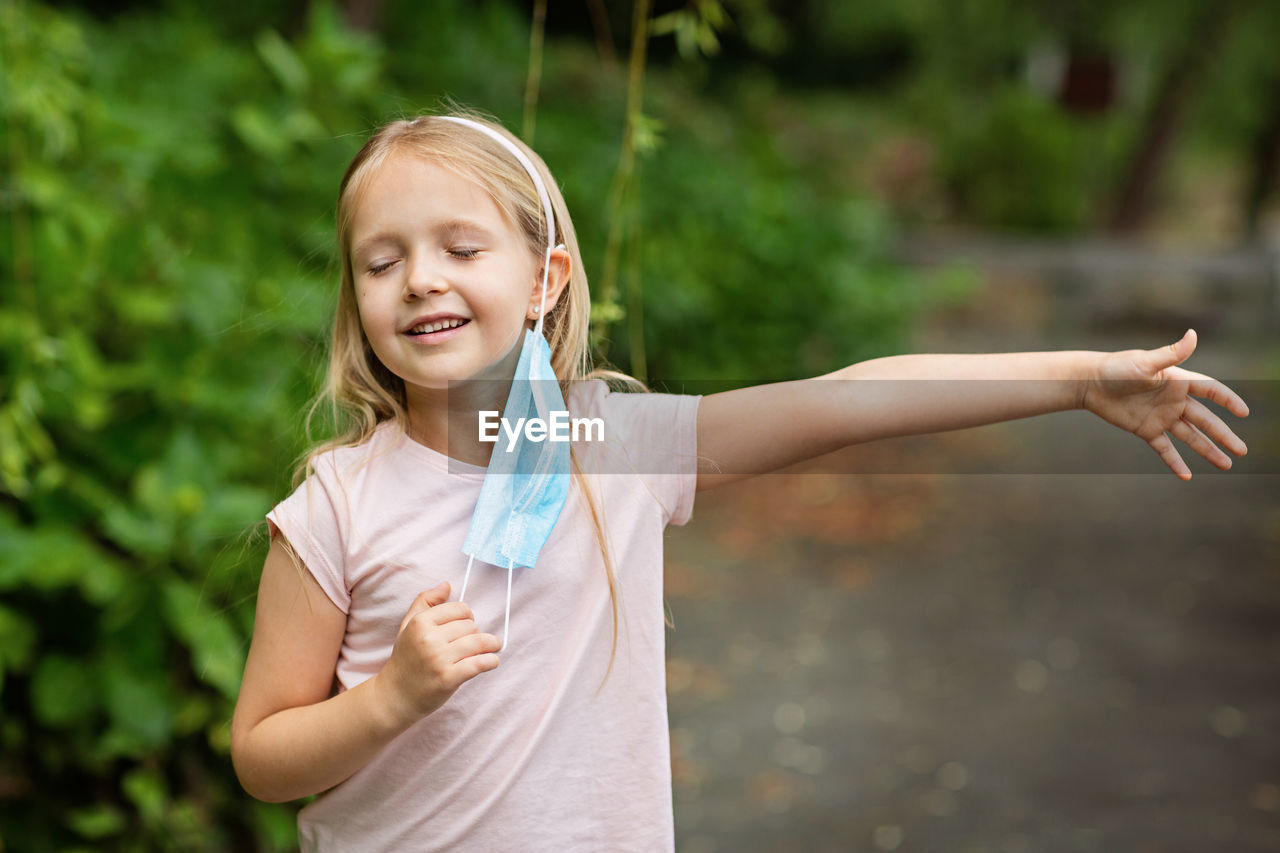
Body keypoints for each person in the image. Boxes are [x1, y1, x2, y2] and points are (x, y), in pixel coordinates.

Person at [229, 111, 1250, 852]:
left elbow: (845, 399)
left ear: (544, 279)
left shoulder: (609, 447)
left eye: (461, 246)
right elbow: (264, 755)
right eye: (380, 259)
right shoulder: (337, 504)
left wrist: (1074, 379)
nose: (420, 278)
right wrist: (391, 697)